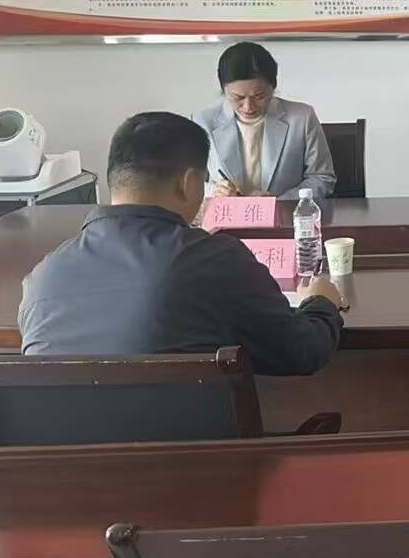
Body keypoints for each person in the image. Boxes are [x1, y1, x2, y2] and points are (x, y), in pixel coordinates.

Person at [19, 112, 342, 375]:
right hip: (189, 438)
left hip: (64, 439)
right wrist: (321, 303)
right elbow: (301, 352)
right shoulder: (213, 259)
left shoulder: (42, 276)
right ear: (189, 183)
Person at [193, 41, 336, 200]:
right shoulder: (204, 121)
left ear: (273, 87)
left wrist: (275, 202)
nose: (248, 106)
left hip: (284, 212)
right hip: (227, 214)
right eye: (237, 98)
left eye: (259, 96)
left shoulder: (302, 117)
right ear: (223, 90)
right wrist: (216, 192)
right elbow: (190, 182)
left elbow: (322, 178)